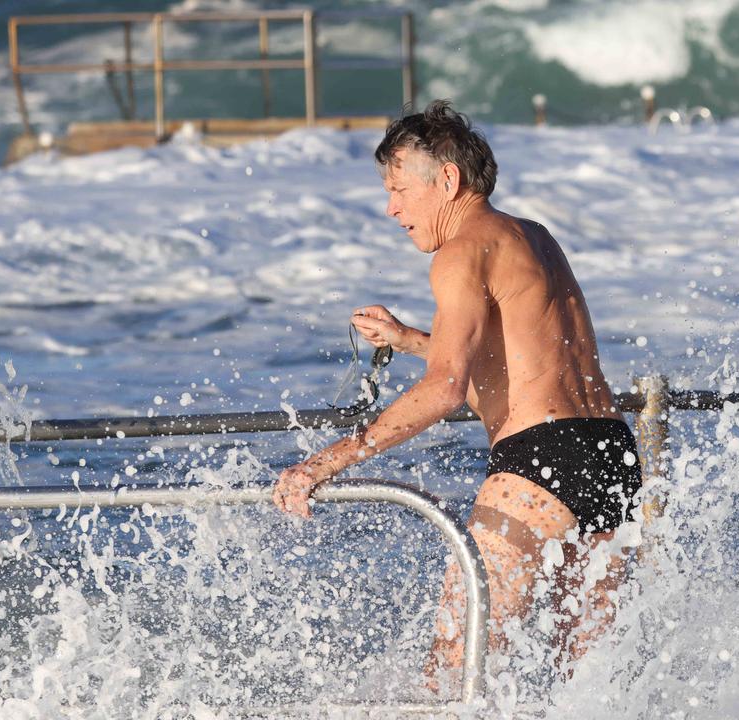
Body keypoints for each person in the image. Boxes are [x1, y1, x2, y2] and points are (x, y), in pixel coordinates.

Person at [272, 100, 642, 687]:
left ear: (447, 180)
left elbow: (445, 390)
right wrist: (409, 338)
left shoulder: (460, 251)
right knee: (591, 685)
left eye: (399, 189)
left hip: (539, 467)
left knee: (452, 674)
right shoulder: (533, 237)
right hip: (611, 455)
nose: (391, 208)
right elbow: (518, 364)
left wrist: (323, 464)